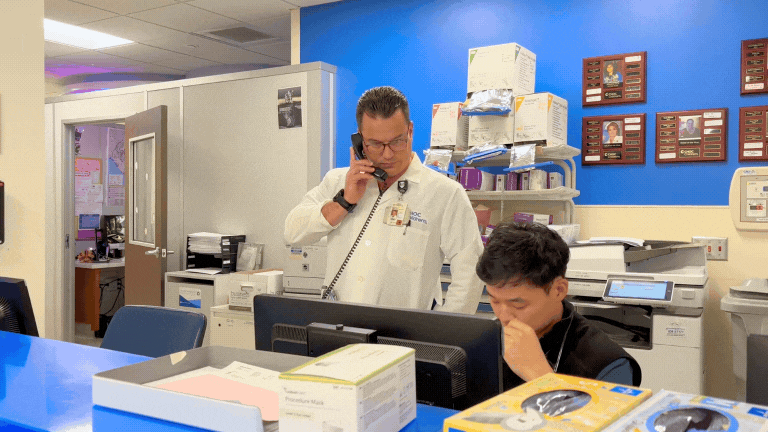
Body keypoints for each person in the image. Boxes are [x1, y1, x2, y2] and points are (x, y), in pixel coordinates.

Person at [284, 86, 484, 314]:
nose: (387, 154)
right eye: (376, 144)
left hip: (405, 339)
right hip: (339, 329)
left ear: (410, 131)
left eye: (397, 141)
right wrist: (344, 201)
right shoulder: (337, 181)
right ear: (359, 140)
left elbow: (470, 272)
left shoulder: (445, 194)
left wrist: (443, 334)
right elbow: (292, 232)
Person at [475, 222, 641, 390]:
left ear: (559, 290)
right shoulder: (484, 340)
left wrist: (539, 373)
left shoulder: (610, 364)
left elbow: (598, 416)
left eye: (518, 304)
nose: (503, 316)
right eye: (494, 301)